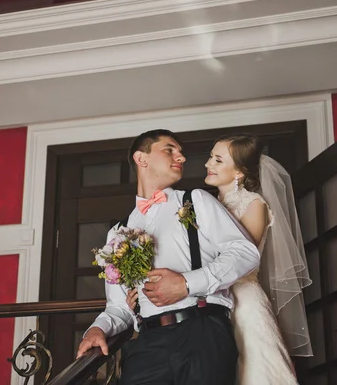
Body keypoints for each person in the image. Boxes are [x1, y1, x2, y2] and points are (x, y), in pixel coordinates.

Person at [77, 129, 260, 385]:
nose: (181, 158)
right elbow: (118, 306)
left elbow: (245, 252)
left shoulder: (195, 200)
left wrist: (186, 284)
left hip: (202, 332)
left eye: (181, 153)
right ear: (142, 159)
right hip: (147, 345)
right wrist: (98, 329)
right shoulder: (118, 231)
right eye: (170, 150)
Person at [182, 134, 314, 384]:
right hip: (211, 299)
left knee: (256, 371)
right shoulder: (205, 206)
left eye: (218, 160)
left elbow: (244, 257)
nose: (208, 164)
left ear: (239, 172)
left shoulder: (254, 204)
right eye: (211, 157)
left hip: (243, 299)